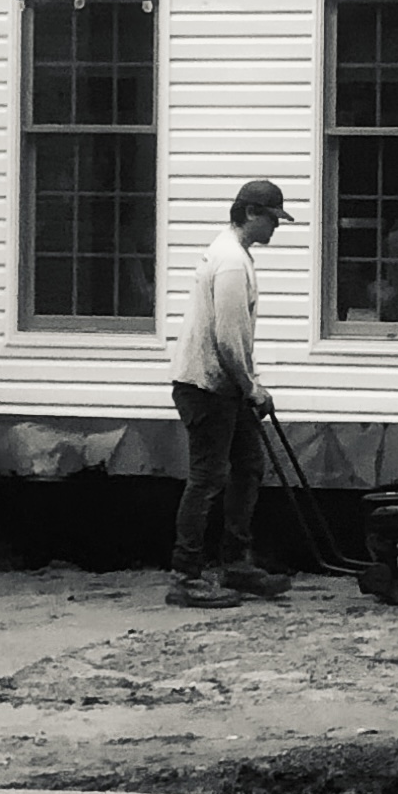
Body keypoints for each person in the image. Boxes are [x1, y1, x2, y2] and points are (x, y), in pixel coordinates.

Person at [166, 178, 298, 608]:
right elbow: (227, 338)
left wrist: (249, 386)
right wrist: (253, 388)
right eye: (271, 219)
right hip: (207, 385)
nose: (276, 227)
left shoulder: (234, 255)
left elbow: (234, 338)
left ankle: (236, 561)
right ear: (249, 214)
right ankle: (185, 576)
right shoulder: (229, 262)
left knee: (248, 467)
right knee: (208, 478)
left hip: (223, 383)